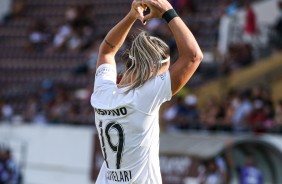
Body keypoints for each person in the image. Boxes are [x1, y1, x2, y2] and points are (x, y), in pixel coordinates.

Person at [90, 0, 203, 183]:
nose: (166, 74)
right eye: (165, 68)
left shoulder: (102, 93)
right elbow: (193, 56)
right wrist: (167, 11)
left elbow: (106, 52)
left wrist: (131, 16)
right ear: (152, 68)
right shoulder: (145, 97)